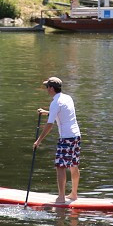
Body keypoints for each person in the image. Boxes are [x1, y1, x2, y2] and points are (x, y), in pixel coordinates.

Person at [34, 76, 82, 204]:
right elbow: (61, 112)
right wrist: (46, 112)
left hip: (66, 138)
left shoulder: (55, 102)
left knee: (60, 167)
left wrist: (38, 141)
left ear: (51, 88)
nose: (46, 89)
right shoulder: (67, 98)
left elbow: (50, 125)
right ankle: (74, 194)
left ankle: (61, 197)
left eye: (47, 87)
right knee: (73, 165)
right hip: (76, 136)